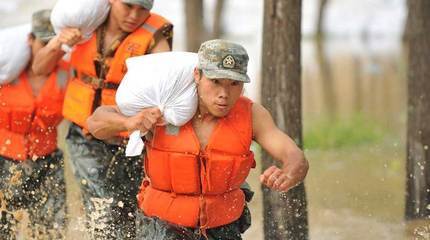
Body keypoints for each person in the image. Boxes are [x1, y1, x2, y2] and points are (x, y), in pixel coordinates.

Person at [86, 39, 309, 239]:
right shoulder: (164, 103)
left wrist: (290, 173)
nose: (224, 93)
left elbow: (295, 157)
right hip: (162, 227)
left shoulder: (252, 115)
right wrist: (129, 123)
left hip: (223, 228)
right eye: (216, 81)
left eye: (234, 84)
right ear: (197, 75)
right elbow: (95, 123)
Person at [32, 0, 173, 238]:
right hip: (84, 135)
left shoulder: (155, 34)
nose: (134, 15)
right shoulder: (85, 22)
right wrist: (59, 41)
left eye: (143, 9)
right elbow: (39, 67)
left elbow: (167, 78)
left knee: (131, 211)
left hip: (130, 142)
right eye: (128, 6)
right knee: (103, 208)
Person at [0, 9, 68, 239]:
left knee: (51, 232)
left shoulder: (67, 74)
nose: (51, 51)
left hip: (48, 163)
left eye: (56, 45)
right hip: (4, 162)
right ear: (30, 40)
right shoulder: (6, 72)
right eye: (44, 43)